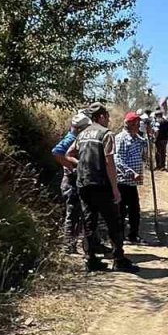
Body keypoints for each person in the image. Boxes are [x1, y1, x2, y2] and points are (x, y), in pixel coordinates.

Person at [67, 102, 133, 271]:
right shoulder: (106, 134)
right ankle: (119, 259)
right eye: (107, 116)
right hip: (102, 185)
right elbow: (109, 161)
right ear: (102, 116)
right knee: (114, 222)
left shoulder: (82, 135)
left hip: (83, 184)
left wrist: (81, 164)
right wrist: (115, 188)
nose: (109, 120)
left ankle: (90, 261)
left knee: (89, 223)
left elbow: (68, 154)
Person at [52, 110, 90, 255]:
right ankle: (68, 245)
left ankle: (73, 244)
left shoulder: (75, 138)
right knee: (72, 212)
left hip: (74, 181)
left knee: (77, 212)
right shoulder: (71, 139)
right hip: (70, 181)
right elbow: (56, 152)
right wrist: (71, 167)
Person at [114, 111, 148, 245]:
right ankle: (120, 236)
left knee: (134, 209)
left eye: (139, 123)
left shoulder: (135, 137)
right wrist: (131, 172)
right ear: (129, 124)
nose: (138, 125)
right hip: (123, 180)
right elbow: (117, 160)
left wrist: (149, 134)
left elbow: (145, 145)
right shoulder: (120, 138)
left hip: (132, 183)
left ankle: (133, 235)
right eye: (136, 123)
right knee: (121, 210)